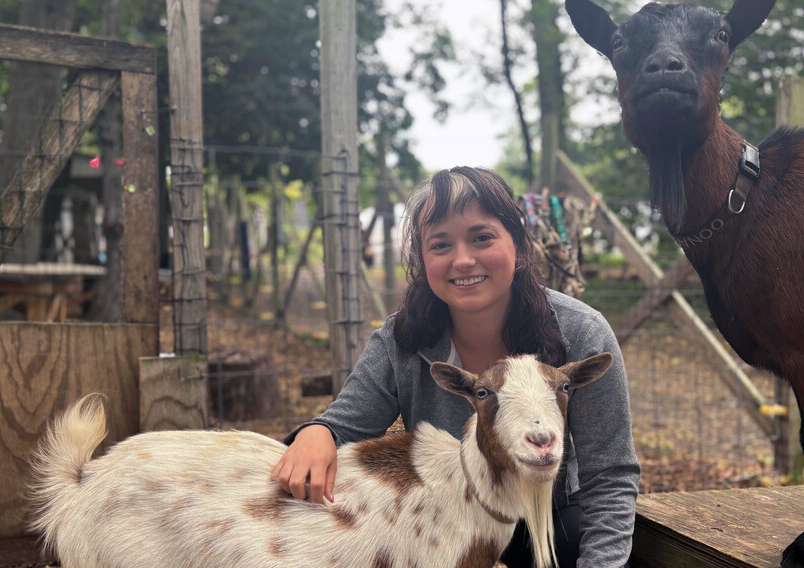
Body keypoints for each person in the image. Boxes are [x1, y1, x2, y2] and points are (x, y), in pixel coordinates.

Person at [272, 166, 639, 568]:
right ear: (421, 258)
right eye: (441, 245)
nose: (463, 260)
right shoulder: (402, 339)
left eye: (482, 238)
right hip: (442, 529)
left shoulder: (581, 332)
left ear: (517, 244)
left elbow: (611, 475)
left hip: (546, 522)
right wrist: (317, 431)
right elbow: (343, 427)